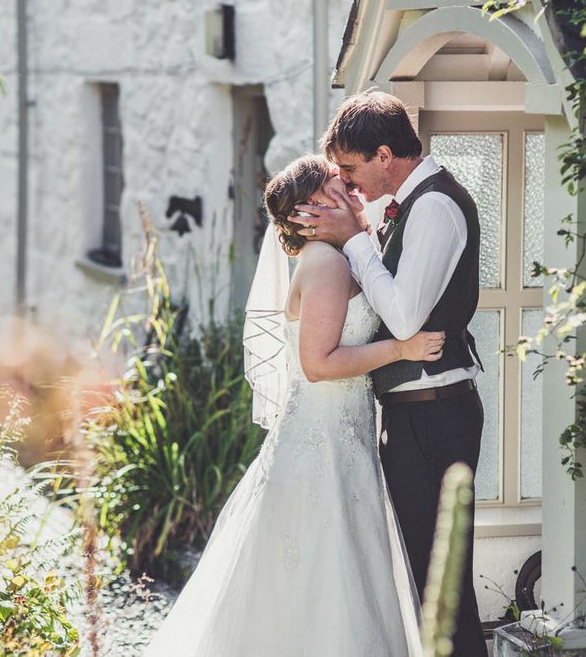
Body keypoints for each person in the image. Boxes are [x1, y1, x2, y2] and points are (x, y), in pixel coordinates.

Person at [143, 154, 446, 656]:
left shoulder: (342, 254)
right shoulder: (325, 265)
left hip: (342, 435)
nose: (351, 189)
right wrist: (401, 349)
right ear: (311, 209)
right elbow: (318, 364)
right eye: (338, 184)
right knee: (322, 570)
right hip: (321, 442)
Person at [288, 91, 488, 657]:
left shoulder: (435, 205)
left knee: (442, 580)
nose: (351, 185)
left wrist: (353, 238)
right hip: (413, 414)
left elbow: (404, 315)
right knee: (427, 574)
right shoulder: (406, 204)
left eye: (351, 169)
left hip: (437, 414)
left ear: (383, 153)